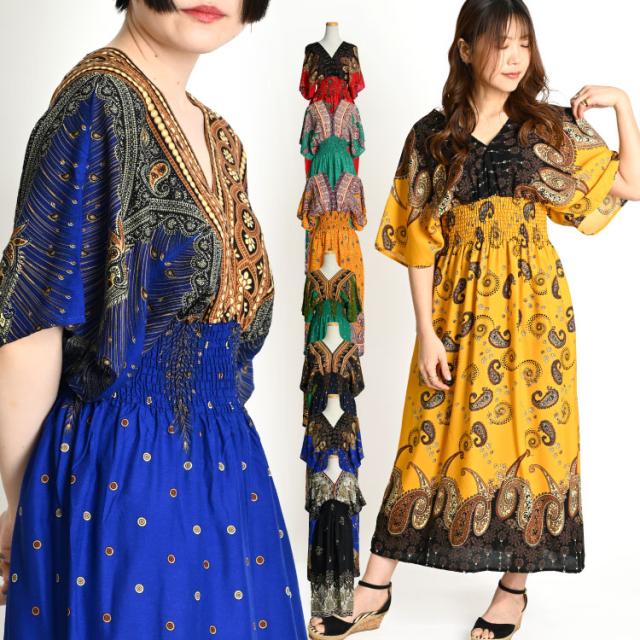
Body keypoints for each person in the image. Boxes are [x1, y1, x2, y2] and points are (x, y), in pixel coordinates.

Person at [308, 1, 640, 639]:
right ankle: (375, 586)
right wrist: (425, 332)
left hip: (534, 314)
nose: (514, 58)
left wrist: (622, 102)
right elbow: (417, 242)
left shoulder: (547, 129)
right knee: (426, 434)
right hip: (455, 312)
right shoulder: (432, 137)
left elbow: (631, 182)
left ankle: (513, 590)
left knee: (532, 439)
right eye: (500, 43)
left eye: (523, 44)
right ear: (465, 48)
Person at [0, 1, 307, 637]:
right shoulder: (95, 104)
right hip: (121, 468)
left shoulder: (220, 137)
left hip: (227, 466)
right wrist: (25, 504)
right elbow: (29, 325)